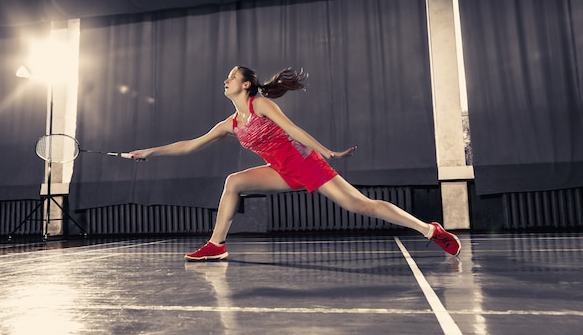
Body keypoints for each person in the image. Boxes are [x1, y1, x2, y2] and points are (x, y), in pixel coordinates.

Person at [130, 66, 461, 261]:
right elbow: (190, 145)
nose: (225, 80)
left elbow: (294, 131)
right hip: (281, 171)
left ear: (246, 84)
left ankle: (429, 229)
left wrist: (327, 152)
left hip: (307, 164)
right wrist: (150, 151)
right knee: (234, 181)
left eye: (232, 76)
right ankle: (216, 245)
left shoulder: (260, 104)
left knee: (361, 205)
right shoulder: (231, 123)